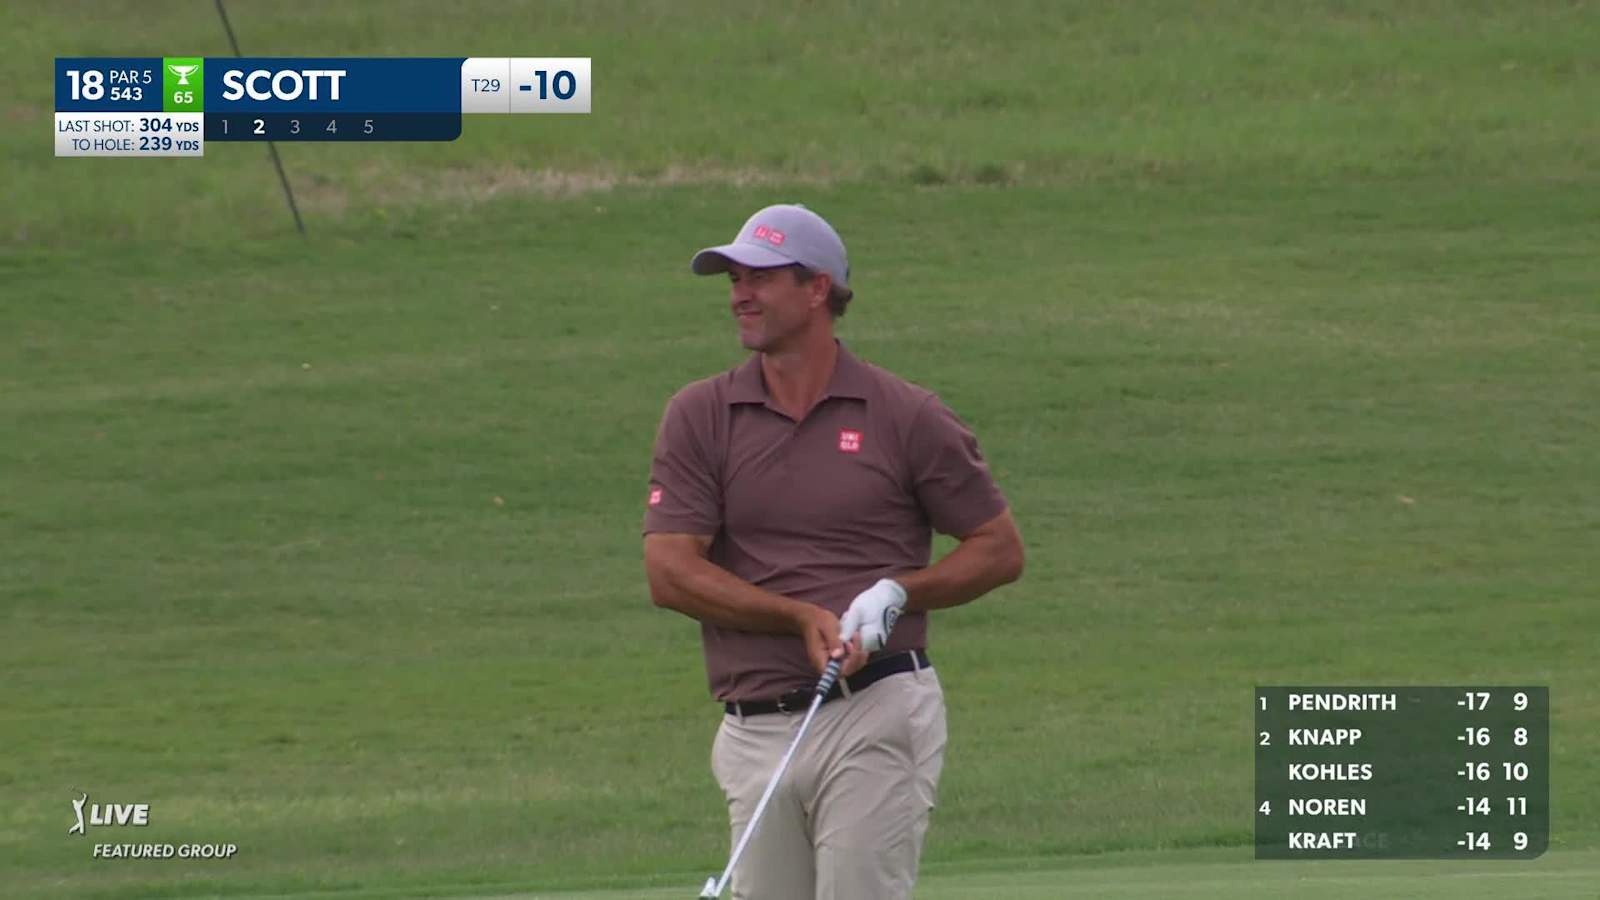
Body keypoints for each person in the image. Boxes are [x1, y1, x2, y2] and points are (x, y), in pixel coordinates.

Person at [642, 203, 1024, 899]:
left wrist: (901, 591)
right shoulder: (700, 415)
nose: (738, 294)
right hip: (752, 728)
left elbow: (998, 549)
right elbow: (670, 573)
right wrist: (796, 618)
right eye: (732, 278)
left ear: (817, 288)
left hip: (874, 709)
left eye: (759, 277)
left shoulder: (904, 414)